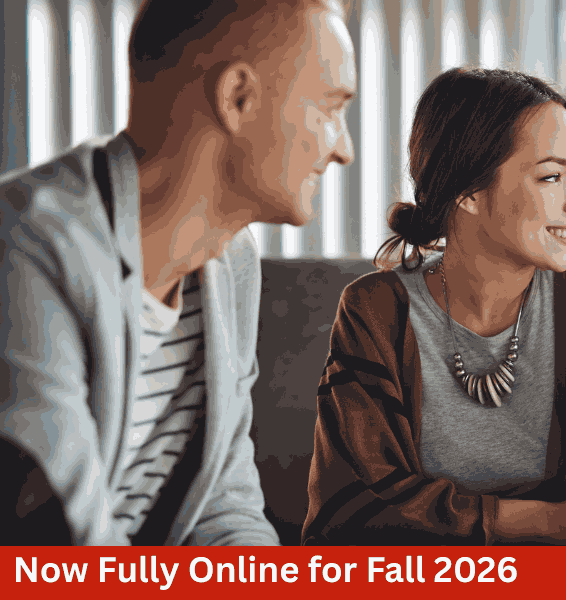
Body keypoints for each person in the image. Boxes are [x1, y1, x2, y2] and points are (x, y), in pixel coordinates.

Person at [0, 0, 356, 544]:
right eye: (331, 108)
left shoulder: (230, 262)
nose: (344, 149)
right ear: (238, 98)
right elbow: (58, 544)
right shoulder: (28, 244)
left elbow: (223, 504)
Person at [303, 68, 566, 545]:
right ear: (468, 193)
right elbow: (352, 511)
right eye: (551, 176)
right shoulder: (375, 311)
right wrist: (545, 520)